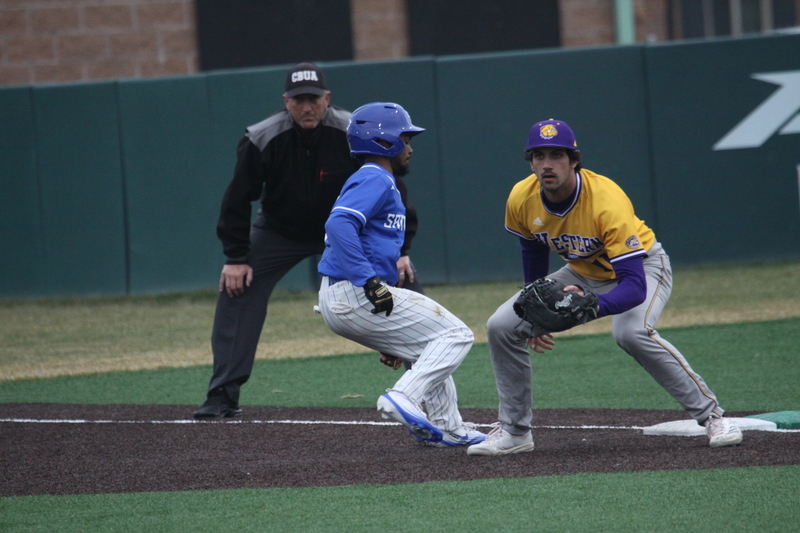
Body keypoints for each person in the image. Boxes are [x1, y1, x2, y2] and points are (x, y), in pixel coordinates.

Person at [467, 119, 743, 455]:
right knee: (501, 325)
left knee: (631, 333)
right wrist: (534, 306)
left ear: (574, 160)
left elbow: (634, 287)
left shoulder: (605, 200)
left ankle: (713, 416)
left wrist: (592, 305)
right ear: (531, 162)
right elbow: (534, 250)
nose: (547, 164)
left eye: (557, 155)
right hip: (581, 271)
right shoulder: (521, 197)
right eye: (539, 156)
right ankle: (514, 432)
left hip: (643, 267)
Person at [194, 63, 423, 418]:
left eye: (313, 99)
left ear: (326, 99)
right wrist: (236, 257)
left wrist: (401, 251)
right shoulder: (262, 137)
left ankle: (422, 388)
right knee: (237, 288)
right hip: (280, 230)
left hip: (349, 231)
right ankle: (222, 395)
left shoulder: (351, 131)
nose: (306, 107)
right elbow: (237, 198)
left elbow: (392, 189)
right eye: (298, 100)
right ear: (286, 102)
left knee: (405, 282)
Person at [317, 102, 486, 447]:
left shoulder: (379, 180)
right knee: (457, 334)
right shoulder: (375, 176)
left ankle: (449, 428)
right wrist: (369, 282)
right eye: (405, 139)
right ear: (385, 142)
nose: (410, 148)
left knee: (428, 343)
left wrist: (392, 333)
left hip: (346, 294)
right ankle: (403, 396)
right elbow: (338, 224)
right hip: (353, 290)